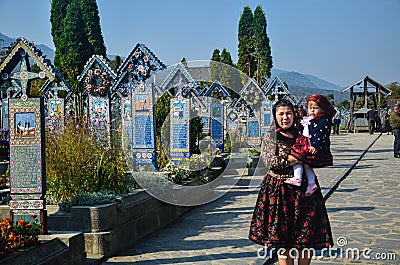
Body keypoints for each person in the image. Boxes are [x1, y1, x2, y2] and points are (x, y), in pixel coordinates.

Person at [249, 99, 333, 265]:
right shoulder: (271, 136)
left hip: (305, 193)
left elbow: (316, 152)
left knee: (305, 238)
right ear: (275, 116)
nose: (285, 117)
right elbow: (270, 162)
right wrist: (296, 158)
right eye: (281, 114)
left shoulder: (303, 132)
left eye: (288, 113)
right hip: (279, 193)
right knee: (283, 242)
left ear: (294, 115)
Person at [284, 94, 335, 197]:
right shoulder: (314, 121)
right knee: (306, 164)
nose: (312, 110)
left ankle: (297, 177)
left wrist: (314, 146)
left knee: (297, 156)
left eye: (315, 108)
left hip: (315, 147)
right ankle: (311, 183)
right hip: (312, 145)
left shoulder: (322, 122)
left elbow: (318, 135)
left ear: (322, 109)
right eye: (310, 108)